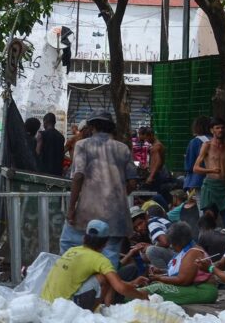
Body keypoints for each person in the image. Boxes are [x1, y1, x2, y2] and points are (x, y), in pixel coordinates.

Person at [63, 110, 137, 268]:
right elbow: (132, 183)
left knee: (69, 247)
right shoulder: (123, 148)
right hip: (116, 216)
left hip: (87, 213)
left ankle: (79, 287)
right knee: (109, 261)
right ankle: (105, 290)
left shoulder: (82, 145)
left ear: (92, 126)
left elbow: (78, 176)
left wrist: (71, 208)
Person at [42, 219, 149, 310]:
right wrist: (141, 295)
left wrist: (132, 283)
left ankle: (107, 308)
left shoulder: (71, 250)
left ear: (84, 238)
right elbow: (120, 287)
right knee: (106, 278)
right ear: (106, 243)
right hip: (67, 308)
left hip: (48, 304)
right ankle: (104, 310)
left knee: (107, 276)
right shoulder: (100, 259)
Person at [132, 222, 218, 305]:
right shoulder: (188, 250)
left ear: (178, 243)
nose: (171, 246)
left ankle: (127, 295)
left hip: (204, 290)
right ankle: (129, 293)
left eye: (172, 244)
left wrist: (159, 278)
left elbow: (182, 280)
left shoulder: (193, 253)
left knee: (157, 288)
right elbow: (181, 272)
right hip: (196, 287)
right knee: (156, 286)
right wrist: (160, 271)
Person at [194, 117, 225, 228]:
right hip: (210, 186)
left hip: (224, 187)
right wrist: (211, 170)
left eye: (222, 128)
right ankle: (206, 243)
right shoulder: (207, 146)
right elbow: (196, 168)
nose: (220, 130)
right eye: (217, 128)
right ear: (212, 130)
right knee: (208, 220)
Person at [138, 127, 171, 206]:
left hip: (157, 176)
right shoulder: (154, 146)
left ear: (151, 135)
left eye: (147, 138)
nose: (146, 141)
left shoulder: (156, 146)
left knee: (149, 196)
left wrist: (151, 176)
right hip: (156, 174)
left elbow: (158, 162)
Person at [183, 116, 211, 194]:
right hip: (217, 179)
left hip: (200, 180)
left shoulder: (195, 141)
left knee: (202, 205)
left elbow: (189, 165)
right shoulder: (215, 140)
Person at [144, 204, 174, 269]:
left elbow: (165, 242)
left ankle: (164, 275)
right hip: (180, 252)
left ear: (147, 216)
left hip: (177, 253)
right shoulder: (163, 221)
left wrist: (149, 246)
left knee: (150, 250)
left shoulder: (152, 221)